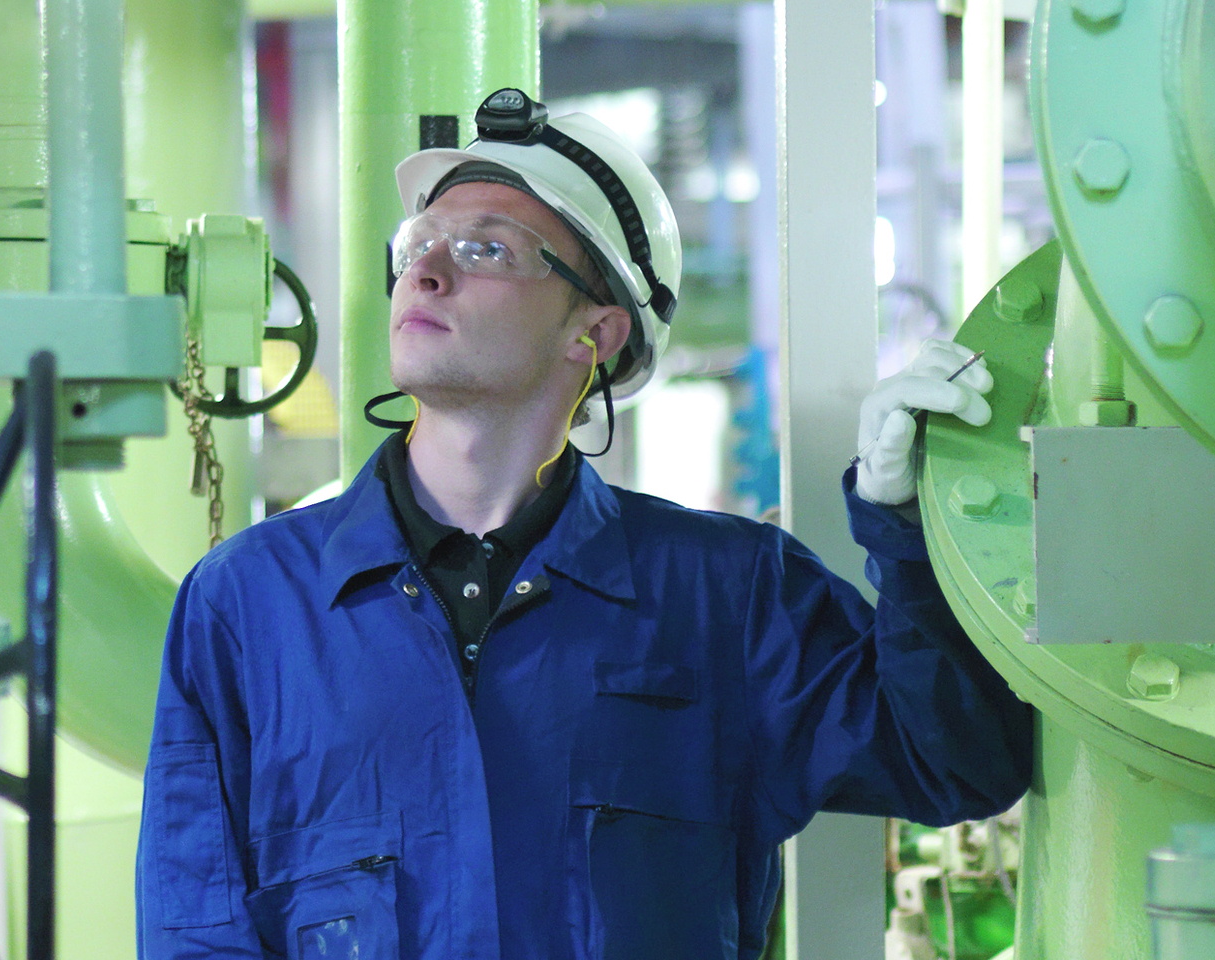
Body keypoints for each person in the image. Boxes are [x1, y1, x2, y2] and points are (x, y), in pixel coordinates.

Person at [135, 87, 1033, 960]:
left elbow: (953, 761)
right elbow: (193, 930)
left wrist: (906, 523)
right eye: (419, 244)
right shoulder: (250, 606)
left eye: (487, 249)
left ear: (595, 334)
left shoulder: (726, 596)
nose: (428, 270)